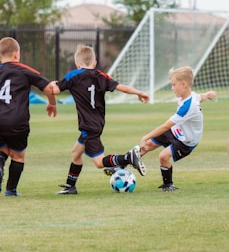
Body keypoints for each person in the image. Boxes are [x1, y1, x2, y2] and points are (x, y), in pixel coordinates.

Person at [51, 44, 149, 195]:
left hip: (88, 126)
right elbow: (121, 87)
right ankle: (70, 186)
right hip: (97, 122)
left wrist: (50, 84)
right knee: (76, 153)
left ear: (77, 64)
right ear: (95, 63)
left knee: (99, 163)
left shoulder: (73, 76)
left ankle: (127, 158)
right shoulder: (101, 76)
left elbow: (55, 90)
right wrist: (139, 93)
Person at [137, 66, 216, 192]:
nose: (172, 88)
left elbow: (165, 126)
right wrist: (209, 94)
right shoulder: (190, 96)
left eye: (174, 85)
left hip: (186, 141)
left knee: (163, 156)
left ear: (184, 84)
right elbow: (200, 97)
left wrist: (145, 136)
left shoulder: (188, 106)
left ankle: (168, 185)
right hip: (177, 130)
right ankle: (122, 163)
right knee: (147, 145)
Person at [0, 37, 57, 196]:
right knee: (18, 155)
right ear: (17, 55)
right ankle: (11, 190)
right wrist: (52, 103)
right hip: (17, 121)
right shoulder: (25, 70)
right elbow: (47, 88)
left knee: (2, 150)